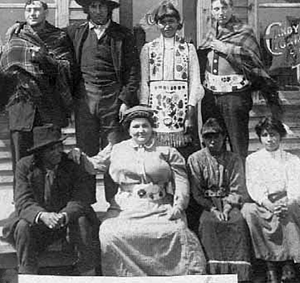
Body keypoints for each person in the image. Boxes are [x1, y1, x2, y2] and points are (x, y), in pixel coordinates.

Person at [69, 105, 206, 276]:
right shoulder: (116, 149)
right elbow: (94, 166)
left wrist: (178, 206)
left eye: (145, 126)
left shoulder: (167, 151)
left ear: (151, 127)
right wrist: (80, 155)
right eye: (136, 126)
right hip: (126, 208)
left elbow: (181, 181)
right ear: (129, 129)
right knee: (109, 232)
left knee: (177, 232)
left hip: (159, 206)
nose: (141, 131)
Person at [0, 0, 76, 197]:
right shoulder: (15, 36)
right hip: (20, 106)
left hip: (48, 108)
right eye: (28, 9)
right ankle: (22, 205)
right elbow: (3, 71)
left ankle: (52, 202)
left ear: (46, 12)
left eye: (37, 9)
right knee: (21, 161)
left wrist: (45, 59)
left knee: (50, 159)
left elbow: (67, 70)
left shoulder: (58, 37)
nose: (32, 13)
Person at [68, 0, 141, 204]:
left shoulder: (123, 35)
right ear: (87, 9)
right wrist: (21, 24)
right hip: (85, 99)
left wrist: (125, 100)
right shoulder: (75, 32)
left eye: (102, 6)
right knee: (86, 151)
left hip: (113, 100)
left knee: (115, 151)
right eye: (93, 6)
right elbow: (48, 35)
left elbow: (133, 71)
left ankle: (114, 202)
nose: (98, 11)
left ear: (109, 9)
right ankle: (85, 203)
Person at [0, 124, 100, 275]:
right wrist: (43, 216)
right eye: (51, 149)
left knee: (83, 222)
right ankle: (28, 274)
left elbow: (81, 198)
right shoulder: (25, 166)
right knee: (22, 226)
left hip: (66, 220)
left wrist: (65, 215)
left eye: (60, 146)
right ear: (40, 152)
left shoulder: (72, 164)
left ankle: (87, 272)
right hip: (39, 221)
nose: (58, 152)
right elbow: (23, 201)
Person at [198, 0, 282, 159]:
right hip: (211, 97)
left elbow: (253, 60)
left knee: (237, 143)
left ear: (232, 8)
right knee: (213, 139)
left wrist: (227, 48)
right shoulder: (210, 33)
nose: (220, 13)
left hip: (235, 97)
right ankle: (220, 182)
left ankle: (240, 184)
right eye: (216, 9)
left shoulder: (243, 31)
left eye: (224, 8)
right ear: (212, 12)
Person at [241, 117, 300, 283]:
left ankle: (287, 262)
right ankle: (269, 264)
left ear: (281, 136)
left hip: (285, 201)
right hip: (264, 203)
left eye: (273, 134)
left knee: (287, 215)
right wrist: (268, 204)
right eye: (265, 135)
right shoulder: (253, 160)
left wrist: (289, 202)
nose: (269, 139)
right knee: (250, 212)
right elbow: (254, 185)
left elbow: (299, 184)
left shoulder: (291, 159)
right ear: (260, 137)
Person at [187, 118, 251, 281]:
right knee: (208, 224)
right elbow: (197, 192)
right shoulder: (195, 159)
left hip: (229, 201)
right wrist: (214, 209)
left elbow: (238, 187)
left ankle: (237, 273)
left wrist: (228, 208)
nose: (213, 141)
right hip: (207, 204)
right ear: (203, 139)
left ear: (224, 138)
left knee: (237, 223)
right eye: (209, 137)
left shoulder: (233, 159)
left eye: (217, 137)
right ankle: (214, 273)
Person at [139, 0, 204, 159]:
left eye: (171, 21)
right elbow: (144, 83)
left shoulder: (188, 48)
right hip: (156, 107)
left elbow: (195, 82)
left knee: (183, 153)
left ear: (178, 23)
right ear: (157, 24)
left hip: (182, 108)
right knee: (157, 154)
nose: (167, 26)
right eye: (163, 22)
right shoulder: (149, 49)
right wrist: (144, 111)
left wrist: (190, 112)